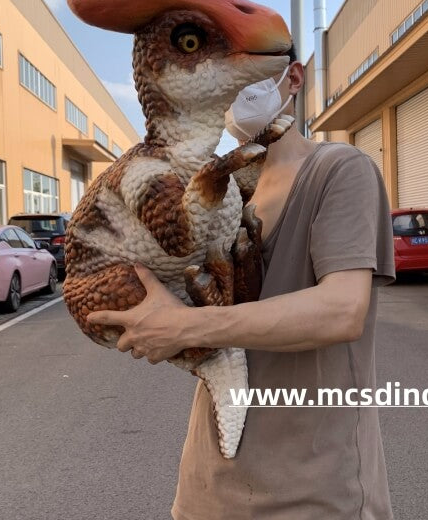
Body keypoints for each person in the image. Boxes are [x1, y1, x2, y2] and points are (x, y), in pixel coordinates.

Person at [88, 47, 396, 519]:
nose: (233, 89)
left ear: (294, 78)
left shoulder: (339, 169)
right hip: (209, 488)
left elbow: (342, 310)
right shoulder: (229, 191)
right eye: (222, 76)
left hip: (313, 494)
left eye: (251, 72)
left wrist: (183, 327)